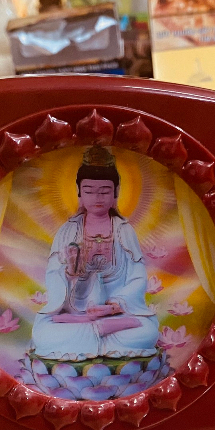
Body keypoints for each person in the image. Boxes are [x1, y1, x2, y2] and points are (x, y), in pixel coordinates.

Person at [31, 145, 160, 362]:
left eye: (104, 191)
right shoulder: (68, 231)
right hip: (76, 311)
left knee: (147, 332)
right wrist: (70, 273)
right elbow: (53, 275)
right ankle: (98, 330)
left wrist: (114, 305)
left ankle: (97, 330)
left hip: (116, 313)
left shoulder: (124, 231)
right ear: (79, 193)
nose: (97, 197)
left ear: (116, 193)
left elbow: (138, 277)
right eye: (89, 191)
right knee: (44, 334)